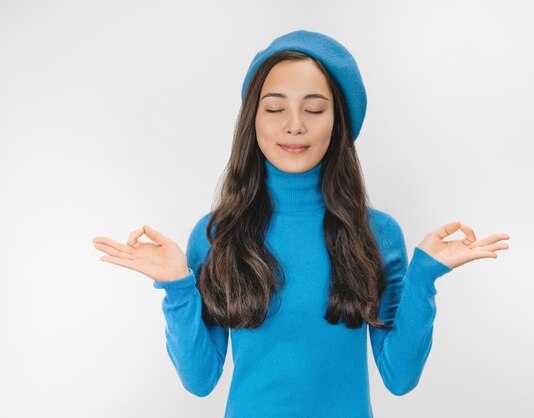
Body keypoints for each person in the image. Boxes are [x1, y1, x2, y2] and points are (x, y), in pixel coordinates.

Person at [92, 29, 510, 417]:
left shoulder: (377, 234)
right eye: (274, 107)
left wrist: (423, 277)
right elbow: (200, 380)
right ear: (252, 120)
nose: (294, 124)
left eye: (314, 108)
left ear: (338, 122)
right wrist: (176, 285)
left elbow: (399, 378)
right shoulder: (217, 235)